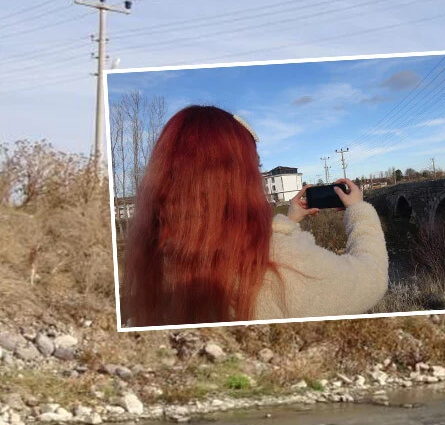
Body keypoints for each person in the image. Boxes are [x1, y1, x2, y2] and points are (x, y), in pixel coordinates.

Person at [121, 105, 388, 326]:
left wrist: (289, 221)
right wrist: (359, 211)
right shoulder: (283, 267)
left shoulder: (156, 260)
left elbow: (227, 237)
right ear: (240, 179)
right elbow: (372, 277)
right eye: (255, 168)